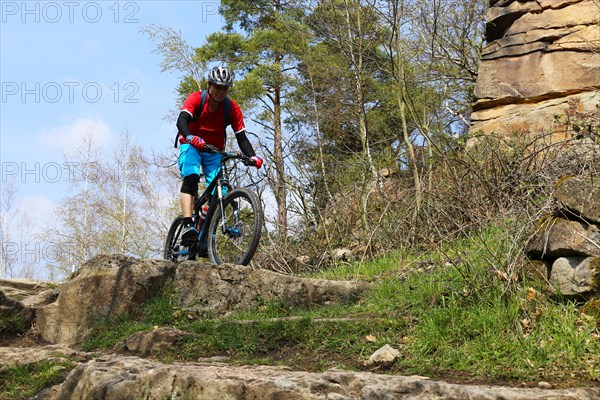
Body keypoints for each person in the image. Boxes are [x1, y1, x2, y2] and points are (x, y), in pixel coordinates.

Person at [176, 66, 263, 244]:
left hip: (214, 150)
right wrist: (190, 137)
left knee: (220, 192)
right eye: (217, 86)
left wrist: (252, 156)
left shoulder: (231, 108)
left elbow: (241, 137)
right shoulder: (196, 99)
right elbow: (182, 120)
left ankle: (203, 231)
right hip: (191, 144)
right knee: (191, 176)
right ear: (209, 85)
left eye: (224, 88)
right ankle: (187, 224)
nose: (220, 91)